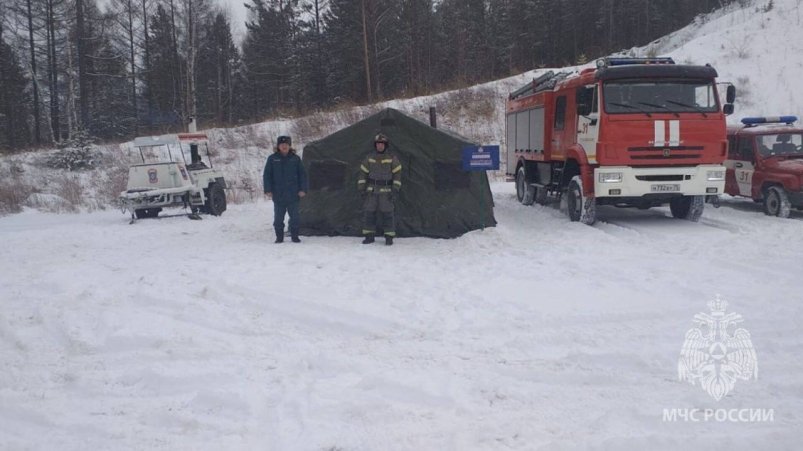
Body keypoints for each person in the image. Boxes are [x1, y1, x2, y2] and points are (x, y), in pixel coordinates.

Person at [357, 133, 402, 245]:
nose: (380, 146)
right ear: (375, 145)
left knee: (388, 214)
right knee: (369, 213)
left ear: (385, 145)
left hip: (387, 192)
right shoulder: (369, 158)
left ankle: (389, 237)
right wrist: (361, 188)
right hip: (371, 191)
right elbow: (362, 174)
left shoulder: (392, 158)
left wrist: (395, 189)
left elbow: (397, 174)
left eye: (382, 144)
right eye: (378, 144)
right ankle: (369, 236)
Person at [263, 136, 307, 243]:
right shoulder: (272, 159)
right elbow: (267, 175)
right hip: (278, 194)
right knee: (278, 219)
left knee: (295, 218)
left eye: (286, 144)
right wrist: (268, 189)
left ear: (289, 146)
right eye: (282, 145)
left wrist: (303, 189)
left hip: (293, 194)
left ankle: (295, 236)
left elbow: (302, 175)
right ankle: (279, 237)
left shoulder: (295, 159)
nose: (284, 146)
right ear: (278, 146)